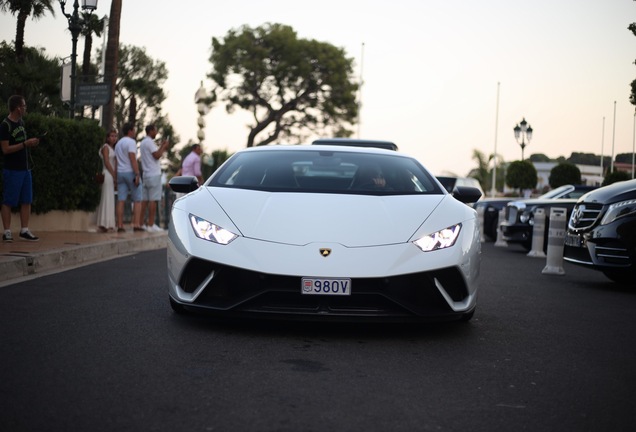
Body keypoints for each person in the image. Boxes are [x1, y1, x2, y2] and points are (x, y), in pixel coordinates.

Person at [0, 95, 40, 242]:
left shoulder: (21, 123)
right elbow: (5, 149)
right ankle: (7, 231)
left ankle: (24, 230)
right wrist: (24, 144)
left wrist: (31, 143)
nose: (25, 108)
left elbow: (24, 143)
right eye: (24, 106)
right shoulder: (5, 125)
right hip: (12, 169)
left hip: (25, 169)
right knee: (8, 201)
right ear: (18, 108)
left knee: (26, 200)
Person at [139, 124, 170, 232]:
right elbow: (157, 155)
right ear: (151, 131)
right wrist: (164, 147)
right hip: (154, 174)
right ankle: (151, 225)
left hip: (146, 175)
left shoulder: (143, 142)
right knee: (153, 200)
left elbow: (154, 153)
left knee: (145, 200)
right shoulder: (149, 142)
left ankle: (141, 223)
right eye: (155, 131)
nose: (156, 133)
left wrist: (161, 146)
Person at [114, 122, 144, 232]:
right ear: (130, 131)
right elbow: (132, 158)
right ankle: (136, 224)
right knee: (137, 199)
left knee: (121, 200)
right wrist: (137, 174)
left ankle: (120, 225)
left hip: (120, 173)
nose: (135, 132)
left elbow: (116, 160)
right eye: (134, 130)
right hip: (130, 173)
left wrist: (116, 177)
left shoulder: (118, 144)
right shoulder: (131, 142)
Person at [96, 129, 118, 232]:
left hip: (110, 175)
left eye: (115, 136)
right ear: (108, 137)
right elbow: (106, 162)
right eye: (112, 136)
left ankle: (107, 224)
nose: (114, 138)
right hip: (107, 174)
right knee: (106, 198)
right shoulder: (105, 147)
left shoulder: (112, 148)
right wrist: (114, 175)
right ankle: (104, 224)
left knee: (109, 198)